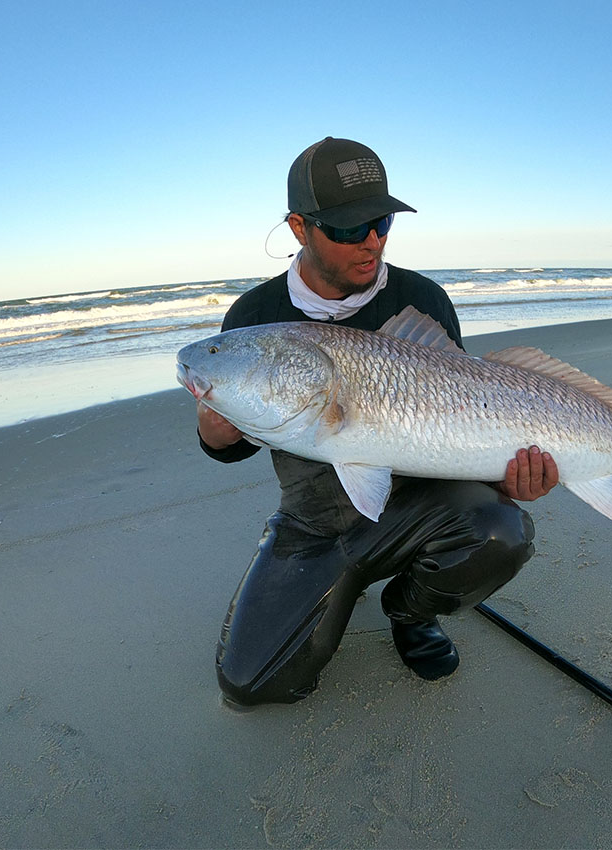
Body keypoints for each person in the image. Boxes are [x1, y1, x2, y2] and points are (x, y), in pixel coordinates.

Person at [197, 137, 559, 706]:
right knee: (251, 684)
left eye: (382, 222)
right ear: (300, 228)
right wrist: (213, 435)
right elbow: (241, 436)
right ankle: (331, 581)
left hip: (420, 505)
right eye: (348, 228)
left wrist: (508, 479)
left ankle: (411, 611)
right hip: (314, 521)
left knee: (500, 530)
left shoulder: (422, 298)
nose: (371, 241)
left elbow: (465, 419)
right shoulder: (255, 317)